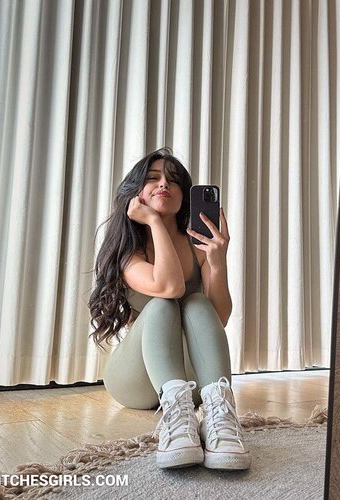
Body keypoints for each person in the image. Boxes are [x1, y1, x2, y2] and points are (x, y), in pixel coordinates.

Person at [88, 147, 251, 470]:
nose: (164, 184)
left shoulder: (199, 245)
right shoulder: (128, 249)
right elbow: (169, 287)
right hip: (135, 381)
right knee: (163, 304)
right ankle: (175, 420)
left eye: (174, 181)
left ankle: (219, 414)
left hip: (192, 381)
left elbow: (218, 317)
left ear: (184, 195)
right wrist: (154, 221)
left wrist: (217, 262)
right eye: (153, 178)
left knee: (198, 302)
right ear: (136, 193)